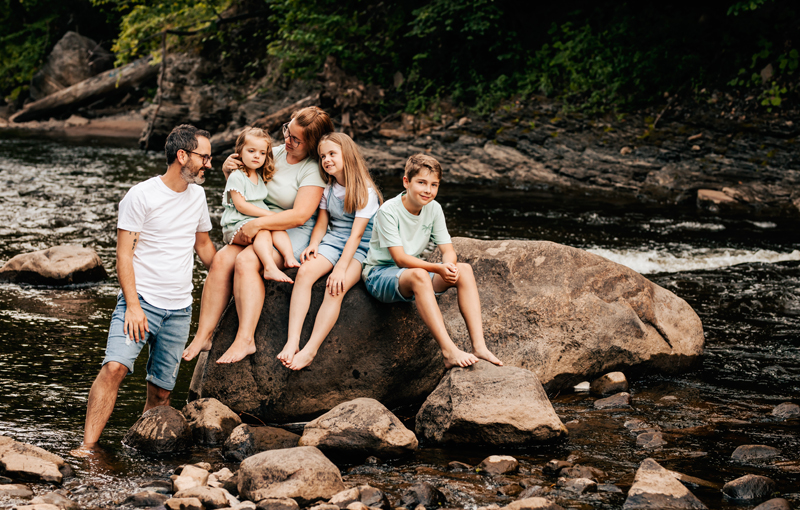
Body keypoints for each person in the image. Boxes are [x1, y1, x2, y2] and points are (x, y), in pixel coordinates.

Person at [78, 124, 216, 449]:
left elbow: (206, 248)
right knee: (114, 368)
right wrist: (134, 306)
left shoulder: (198, 196)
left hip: (180, 309)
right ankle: (86, 449)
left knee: (162, 392)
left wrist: (239, 269)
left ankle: (138, 450)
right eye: (204, 157)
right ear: (182, 155)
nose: (208, 164)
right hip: (141, 302)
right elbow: (123, 256)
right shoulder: (141, 195)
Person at [182, 106, 335, 364]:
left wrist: (258, 225)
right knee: (221, 259)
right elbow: (242, 183)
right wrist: (228, 169)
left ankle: (246, 339)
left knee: (246, 261)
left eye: (296, 139)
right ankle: (203, 335)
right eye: (287, 131)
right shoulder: (270, 153)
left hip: (290, 230)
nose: (287, 140)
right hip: (255, 221)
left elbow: (299, 215)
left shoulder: (313, 169)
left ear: (312, 144)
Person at [361, 153, 502, 369]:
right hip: (380, 274)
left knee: (463, 269)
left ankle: (479, 346)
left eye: (434, 184)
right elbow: (399, 259)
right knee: (419, 275)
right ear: (406, 182)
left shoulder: (434, 208)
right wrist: (437, 267)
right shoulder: (388, 211)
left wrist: (449, 266)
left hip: (411, 273)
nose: (428, 190)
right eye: (422, 183)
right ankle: (449, 351)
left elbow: (448, 250)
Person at [277, 133, 383, 370]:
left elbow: (356, 236)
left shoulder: (365, 191)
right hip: (334, 240)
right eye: (323, 155)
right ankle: (292, 341)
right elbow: (322, 224)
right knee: (304, 274)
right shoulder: (329, 188)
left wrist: (341, 269)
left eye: (332, 154)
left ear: (348, 155)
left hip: (362, 247)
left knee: (336, 288)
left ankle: (310, 349)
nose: (326, 159)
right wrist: (314, 243)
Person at [221, 127, 299, 283]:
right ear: (239, 152)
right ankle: (269, 267)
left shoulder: (258, 174)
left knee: (277, 227)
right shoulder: (237, 176)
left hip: (253, 220)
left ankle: (289, 257)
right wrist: (270, 215)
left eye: (262, 153)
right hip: (236, 224)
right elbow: (241, 206)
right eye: (251, 151)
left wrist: (272, 219)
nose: (257, 156)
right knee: (263, 231)